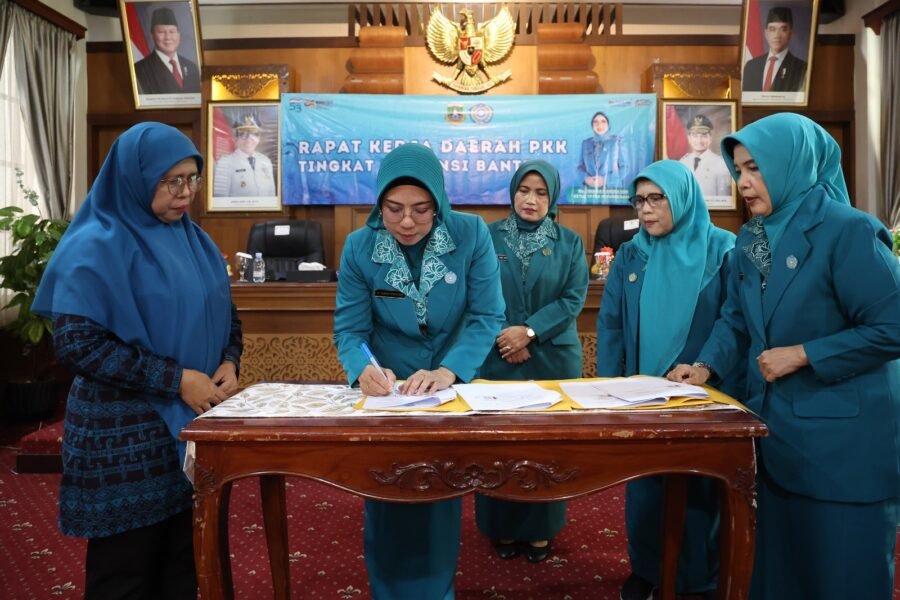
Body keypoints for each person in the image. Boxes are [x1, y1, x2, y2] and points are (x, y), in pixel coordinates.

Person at [668, 113, 900, 600]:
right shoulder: (751, 239)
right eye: (738, 170)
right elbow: (735, 318)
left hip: (842, 451)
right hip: (776, 440)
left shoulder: (850, 231)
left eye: (755, 168)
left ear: (792, 164)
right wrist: (705, 366)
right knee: (779, 579)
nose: (743, 182)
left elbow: (892, 326)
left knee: (840, 579)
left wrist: (804, 354)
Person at [31, 122, 243, 599]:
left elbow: (226, 314)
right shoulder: (96, 244)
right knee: (125, 576)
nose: (185, 192)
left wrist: (230, 360)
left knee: (183, 570)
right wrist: (177, 380)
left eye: (192, 179)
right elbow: (78, 344)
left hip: (189, 434)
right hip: (122, 441)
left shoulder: (194, 240)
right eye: (172, 181)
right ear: (135, 177)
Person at [333, 143, 505, 599]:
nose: (407, 221)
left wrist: (449, 371)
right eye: (394, 209)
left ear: (439, 202)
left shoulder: (470, 233)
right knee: (386, 491)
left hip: (446, 387)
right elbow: (350, 329)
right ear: (379, 204)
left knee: (438, 493)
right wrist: (362, 369)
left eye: (421, 209)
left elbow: (487, 315)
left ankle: (436, 589)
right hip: (388, 393)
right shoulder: (360, 246)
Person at [596, 160, 741, 600]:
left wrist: (707, 365)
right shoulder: (632, 254)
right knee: (645, 489)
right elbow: (612, 324)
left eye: (656, 199)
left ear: (681, 198)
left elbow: (733, 319)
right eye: (639, 200)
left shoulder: (723, 248)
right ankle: (648, 570)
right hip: (642, 397)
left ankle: (698, 581)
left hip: (702, 392)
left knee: (698, 490)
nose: (645, 209)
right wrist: (609, 388)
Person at [474, 160, 588, 563]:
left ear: (552, 197)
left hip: (551, 358)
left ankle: (542, 530)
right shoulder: (487, 237)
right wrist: (507, 336)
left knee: (545, 449)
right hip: (498, 355)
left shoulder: (569, 241)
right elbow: (477, 293)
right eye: (524, 190)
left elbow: (573, 298)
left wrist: (530, 332)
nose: (531, 199)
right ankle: (501, 528)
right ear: (512, 193)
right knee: (498, 445)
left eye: (541, 193)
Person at [134, 7, 201, 95]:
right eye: (161, 32)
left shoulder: (191, 67)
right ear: (152, 35)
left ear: (178, 34)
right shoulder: (140, 70)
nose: (168, 37)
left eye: (172, 32)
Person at [742, 7, 808, 92]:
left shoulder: (801, 68)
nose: (777, 35)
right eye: (772, 29)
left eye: (783, 29)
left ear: (790, 33)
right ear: (766, 34)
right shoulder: (751, 66)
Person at [213, 115, 277, 198]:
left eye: (253, 134)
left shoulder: (265, 161)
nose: (248, 139)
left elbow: (272, 196)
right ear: (235, 138)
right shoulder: (224, 162)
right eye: (242, 134)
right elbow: (220, 199)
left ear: (259, 138)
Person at [678, 114, 732, 200]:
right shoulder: (682, 163)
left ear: (710, 137)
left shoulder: (721, 164)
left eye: (703, 136)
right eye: (695, 136)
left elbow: (724, 199)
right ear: (689, 138)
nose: (699, 141)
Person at [578, 111, 627, 188]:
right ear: (592, 125)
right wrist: (586, 179)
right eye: (595, 122)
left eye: (603, 121)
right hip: (590, 189)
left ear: (608, 124)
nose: (599, 125)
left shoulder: (617, 141)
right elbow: (579, 167)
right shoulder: (586, 143)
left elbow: (625, 167)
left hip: (612, 189)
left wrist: (606, 180)